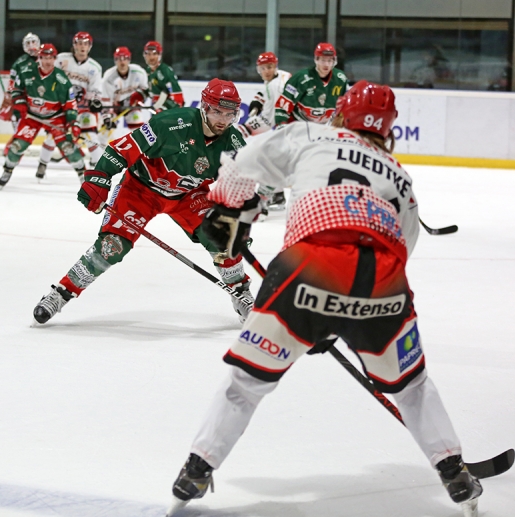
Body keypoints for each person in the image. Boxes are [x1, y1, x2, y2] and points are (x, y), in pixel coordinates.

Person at [165, 80, 484, 517]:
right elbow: (403, 249)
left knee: (247, 384)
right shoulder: (400, 176)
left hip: (306, 270)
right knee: (412, 387)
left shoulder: (313, 134)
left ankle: (197, 468)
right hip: (384, 285)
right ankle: (453, 470)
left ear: (340, 113)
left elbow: (244, 163)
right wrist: (346, 315)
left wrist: (226, 208)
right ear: (388, 129)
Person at [32, 79, 252, 325]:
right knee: (112, 246)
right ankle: (61, 293)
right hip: (140, 190)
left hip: (189, 196)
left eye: (229, 114)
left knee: (224, 239)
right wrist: (101, 177)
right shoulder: (169, 124)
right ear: (203, 106)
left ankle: (242, 296)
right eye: (216, 111)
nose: (222, 119)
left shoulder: (234, 145)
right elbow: (122, 149)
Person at [271, 42, 348, 209]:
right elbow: (283, 105)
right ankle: (273, 195)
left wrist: (341, 122)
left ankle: (318, 198)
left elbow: (344, 106)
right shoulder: (301, 78)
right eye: (322, 60)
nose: (326, 65)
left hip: (321, 127)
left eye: (330, 61)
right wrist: (282, 127)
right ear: (316, 60)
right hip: (297, 125)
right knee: (282, 158)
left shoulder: (340, 79)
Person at [0, 44, 85, 188]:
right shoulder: (27, 72)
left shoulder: (61, 79)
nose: (47, 62)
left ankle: (83, 176)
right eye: (44, 58)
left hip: (55, 117)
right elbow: (16, 90)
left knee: (68, 147)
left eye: (50, 58)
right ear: (39, 58)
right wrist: (20, 102)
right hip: (32, 117)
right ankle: (7, 170)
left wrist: (73, 123)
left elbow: (70, 104)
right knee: (17, 146)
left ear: (55, 59)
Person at [38, 31, 105, 177]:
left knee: (91, 137)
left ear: (90, 46)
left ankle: (101, 169)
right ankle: (42, 164)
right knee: (52, 136)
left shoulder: (95, 67)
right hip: (63, 108)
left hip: (84, 108)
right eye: (79, 43)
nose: (82, 47)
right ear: (74, 45)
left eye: (85, 44)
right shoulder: (61, 59)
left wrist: (95, 101)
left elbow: (96, 89)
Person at [236, 51, 292, 215]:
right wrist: (259, 99)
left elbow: (268, 120)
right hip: (295, 125)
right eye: (263, 68)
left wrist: (246, 129)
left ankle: (262, 202)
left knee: (270, 159)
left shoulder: (275, 87)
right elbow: (268, 93)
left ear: (275, 66)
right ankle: (278, 195)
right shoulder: (282, 75)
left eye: (269, 67)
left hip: (290, 127)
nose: (266, 71)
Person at [100, 46, 150, 142]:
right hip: (115, 107)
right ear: (115, 60)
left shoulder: (139, 72)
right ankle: (108, 154)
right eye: (119, 59)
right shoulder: (108, 77)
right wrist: (107, 117)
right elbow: (106, 100)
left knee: (139, 132)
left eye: (125, 59)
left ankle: (140, 155)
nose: (122, 62)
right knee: (103, 134)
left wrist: (139, 97)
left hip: (132, 107)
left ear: (129, 59)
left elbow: (145, 90)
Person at [143, 41, 184, 112]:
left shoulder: (165, 70)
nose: (151, 57)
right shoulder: (148, 71)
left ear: (159, 55)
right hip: (158, 108)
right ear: (144, 55)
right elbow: (149, 91)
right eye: (148, 54)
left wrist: (170, 108)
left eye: (154, 54)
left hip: (168, 111)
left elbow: (177, 97)